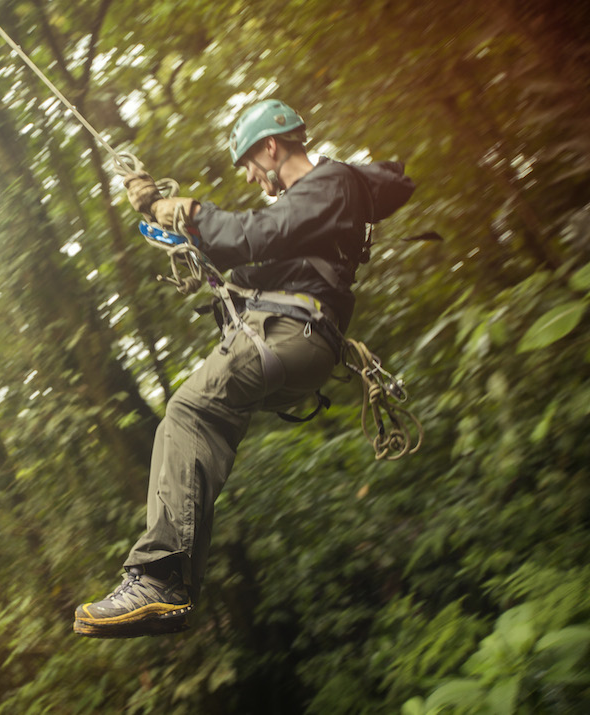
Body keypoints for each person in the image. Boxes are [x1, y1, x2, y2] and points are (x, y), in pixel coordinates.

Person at [73, 99, 415, 638]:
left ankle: (162, 578)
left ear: (272, 147)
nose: (254, 178)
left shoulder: (332, 183)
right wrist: (165, 216)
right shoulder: (316, 207)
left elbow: (253, 234)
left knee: (189, 415)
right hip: (290, 339)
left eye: (252, 166)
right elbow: (248, 254)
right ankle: (167, 578)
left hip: (292, 334)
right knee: (199, 419)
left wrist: (185, 211)